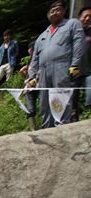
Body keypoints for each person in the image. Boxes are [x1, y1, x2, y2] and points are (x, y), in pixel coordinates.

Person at [28, 0, 86, 128]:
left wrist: (75, 64)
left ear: (64, 11)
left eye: (57, 9)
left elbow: (79, 43)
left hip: (62, 67)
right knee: (44, 103)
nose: (54, 12)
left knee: (60, 101)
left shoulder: (72, 24)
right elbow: (34, 59)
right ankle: (46, 129)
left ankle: (61, 130)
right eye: (51, 10)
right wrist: (32, 76)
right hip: (43, 72)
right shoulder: (42, 35)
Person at [19, 41, 39, 130]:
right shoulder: (30, 61)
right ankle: (33, 129)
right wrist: (26, 79)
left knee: (44, 106)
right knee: (30, 110)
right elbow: (23, 72)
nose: (28, 51)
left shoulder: (39, 58)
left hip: (39, 85)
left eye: (29, 49)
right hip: (29, 88)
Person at [79, 6, 91, 110]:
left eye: (90, 17)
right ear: (79, 17)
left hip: (88, 70)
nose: (87, 19)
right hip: (72, 70)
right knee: (71, 97)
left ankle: (88, 110)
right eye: (85, 16)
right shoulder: (71, 32)